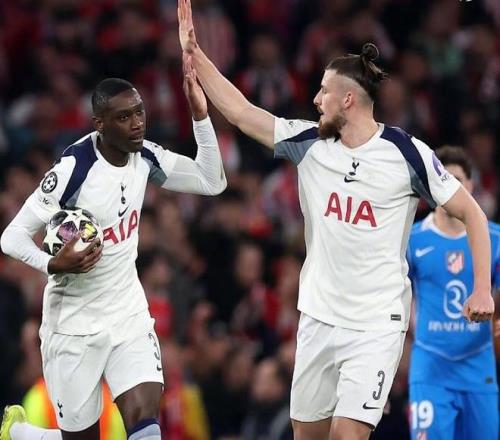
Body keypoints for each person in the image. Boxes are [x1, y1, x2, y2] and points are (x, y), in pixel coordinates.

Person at [176, 1, 495, 439]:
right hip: (318, 318)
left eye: (323, 91)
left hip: (376, 324)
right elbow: (242, 112)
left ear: (348, 99)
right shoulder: (308, 143)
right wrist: (194, 54)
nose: (315, 100)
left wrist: (481, 288)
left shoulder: (406, 153)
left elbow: (472, 213)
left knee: (347, 434)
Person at [0, 55, 227, 440]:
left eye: (139, 112)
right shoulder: (74, 169)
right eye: (124, 117)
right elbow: (12, 237)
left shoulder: (145, 156)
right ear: (100, 124)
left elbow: (212, 180)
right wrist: (53, 264)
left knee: (146, 428)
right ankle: (21, 433)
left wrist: (200, 115)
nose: (137, 123)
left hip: (127, 315)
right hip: (73, 325)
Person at [407, 146, 499, 440]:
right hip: (430, 368)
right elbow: (391, 301)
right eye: (442, 179)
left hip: (479, 367)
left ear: (470, 185)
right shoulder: (412, 239)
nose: (449, 187)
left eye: (457, 180)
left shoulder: (495, 238)